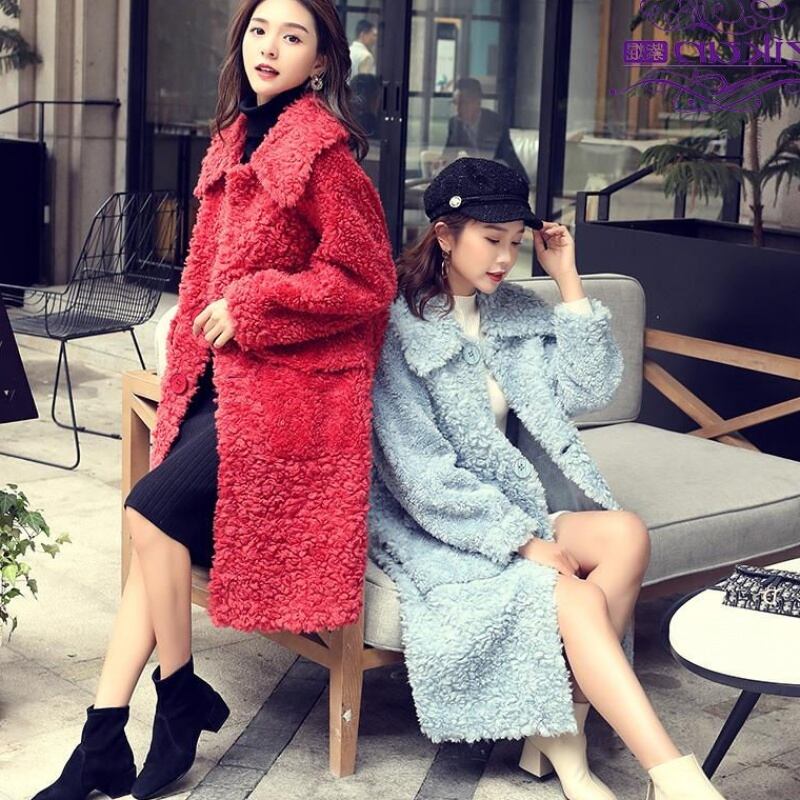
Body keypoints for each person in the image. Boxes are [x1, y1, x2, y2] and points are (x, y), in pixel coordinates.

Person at [32, 2, 397, 799]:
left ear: (321, 62)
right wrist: (191, 348)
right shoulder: (234, 137)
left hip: (288, 394)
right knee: (154, 537)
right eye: (260, 30)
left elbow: (369, 281)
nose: (271, 47)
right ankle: (102, 738)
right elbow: (206, 269)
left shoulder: (326, 157)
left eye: (293, 37)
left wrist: (259, 304)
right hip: (218, 379)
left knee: (149, 513)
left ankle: (179, 696)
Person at [367, 156, 728, 800]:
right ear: (445, 235)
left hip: (516, 504)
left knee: (626, 533)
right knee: (578, 598)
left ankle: (562, 727)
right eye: (491, 240)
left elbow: (588, 387)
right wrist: (523, 541)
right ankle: (668, 777)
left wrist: (566, 279)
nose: (506, 259)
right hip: (439, 525)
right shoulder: (399, 327)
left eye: (515, 241)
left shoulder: (512, 312)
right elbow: (419, 475)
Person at [444, 77, 529, 183]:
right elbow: (448, 155)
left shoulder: (494, 123)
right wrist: (440, 163)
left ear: (477, 102)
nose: (457, 109)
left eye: (463, 103)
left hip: (503, 177)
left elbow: (498, 159)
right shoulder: (454, 123)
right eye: (455, 103)